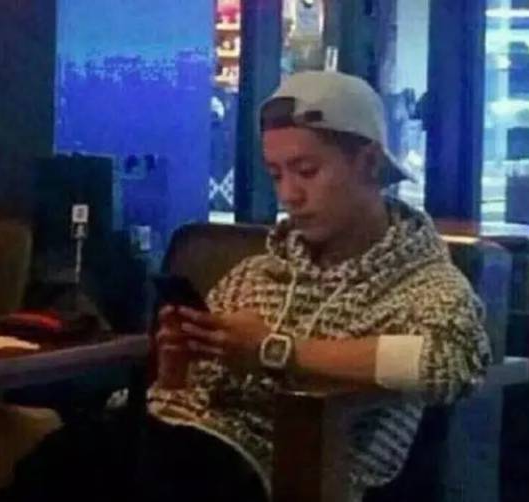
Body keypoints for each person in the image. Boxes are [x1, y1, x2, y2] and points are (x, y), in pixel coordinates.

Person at [142, 70, 491, 502]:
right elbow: (183, 401)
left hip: (282, 470)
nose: (288, 194)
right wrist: (175, 372)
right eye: (276, 175)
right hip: (178, 444)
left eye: (306, 171)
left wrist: (275, 350)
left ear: (369, 163)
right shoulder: (255, 273)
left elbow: (449, 362)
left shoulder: (421, 283)